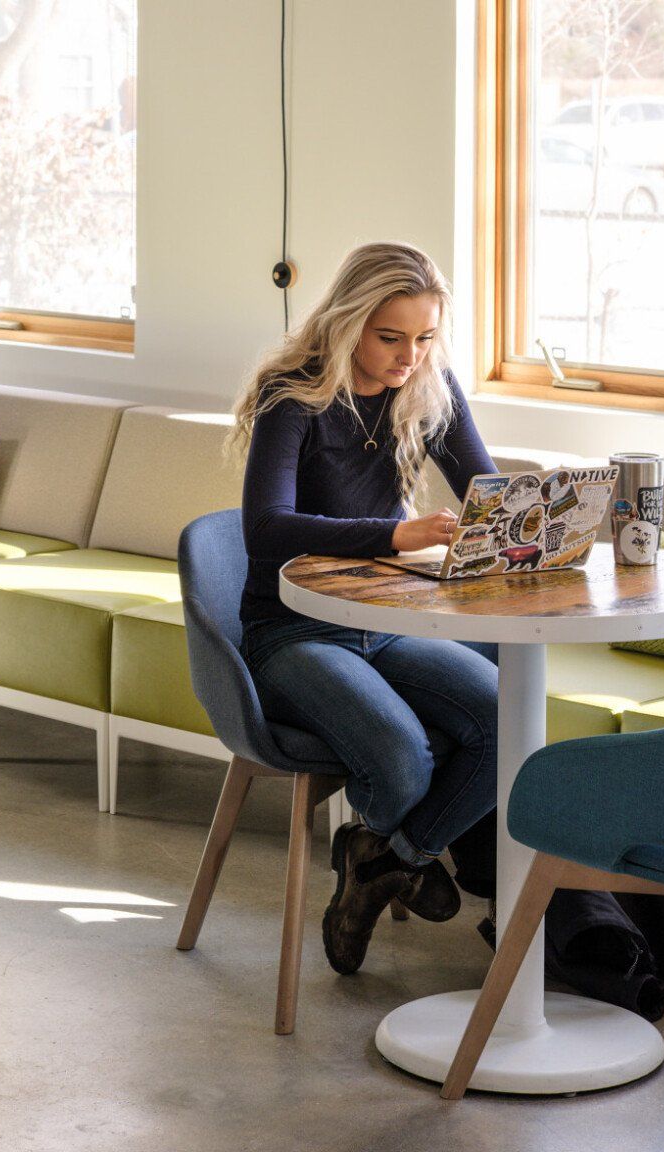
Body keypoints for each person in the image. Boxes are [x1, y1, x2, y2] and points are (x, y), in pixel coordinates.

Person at [230, 241, 498, 975]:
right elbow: (265, 529)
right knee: (403, 760)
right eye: (390, 337)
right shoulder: (296, 396)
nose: (410, 355)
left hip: (387, 624)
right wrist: (396, 532)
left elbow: (487, 489)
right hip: (292, 632)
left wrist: (531, 523)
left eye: (425, 337)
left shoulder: (428, 389)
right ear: (349, 321)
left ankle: (383, 862)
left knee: (508, 721)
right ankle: (396, 855)